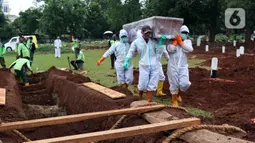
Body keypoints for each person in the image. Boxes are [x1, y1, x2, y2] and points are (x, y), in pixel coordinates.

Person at [124, 25, 164, 102]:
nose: (147, 35)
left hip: (154, 65)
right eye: (146, 33)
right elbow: (131, 52)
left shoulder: (153, 41)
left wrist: (161, 43)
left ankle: (148, 100)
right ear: (142, 33)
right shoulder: (136, 42)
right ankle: (139, 96)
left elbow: (159, 51)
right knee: (143, 84)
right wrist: (127, 60)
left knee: (152, 84)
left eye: (149, 33)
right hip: (144, 65)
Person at [167, 25, 194, 107]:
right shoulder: (171, 41)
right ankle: (174, 100)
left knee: (185, 84)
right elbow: (170, 49)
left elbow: (190, 49)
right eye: (182, 32)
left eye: (186, 33)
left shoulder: (188, 42)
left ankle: (179, 94)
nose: (184, 34)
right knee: (174, 83)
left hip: (183, 66)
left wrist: (181, 42)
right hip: (173, 66)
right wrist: (176, 41)